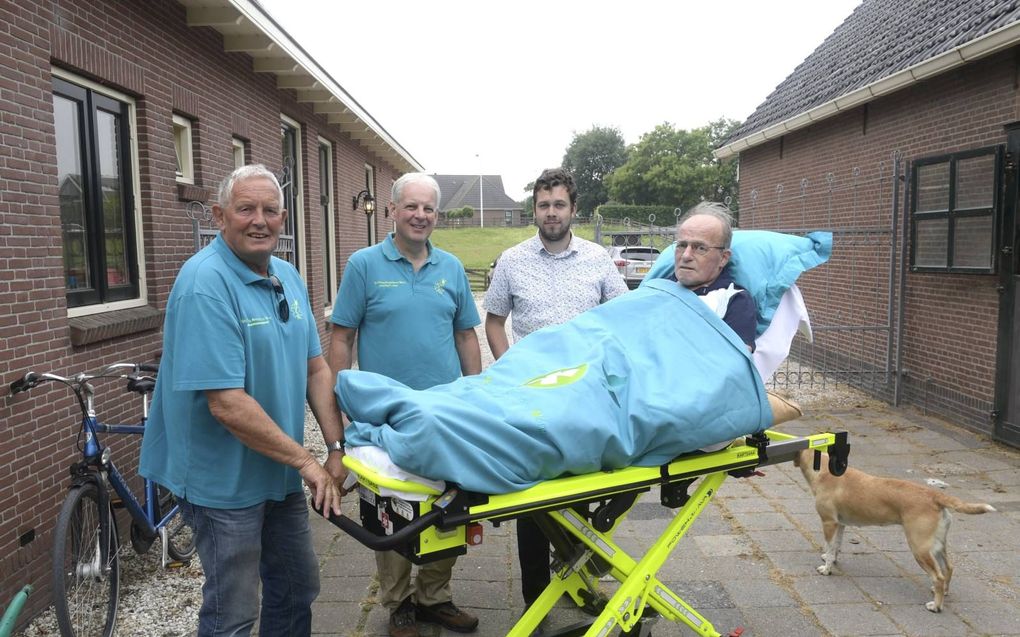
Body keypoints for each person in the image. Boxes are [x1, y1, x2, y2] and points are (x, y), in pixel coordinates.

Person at [140, 164, 346, 637]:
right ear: (219, 215)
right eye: (245, 208)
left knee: (297, 589)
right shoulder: (204, 285)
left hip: (277, 472)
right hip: (222, 485)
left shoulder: (288, 276)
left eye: (270, 210)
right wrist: (309, 464)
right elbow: (227, 403)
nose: (259, 220)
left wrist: (336, 448)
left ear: (283, 217)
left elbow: (316, 368)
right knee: (232, 613)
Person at [329, 172, 482, 637]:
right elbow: (342, 337)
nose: (420, 216)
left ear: (437, 215)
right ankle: (398, 603)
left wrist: (476, 395)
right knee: (390, 507)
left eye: (428, 209)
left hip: (443, 412)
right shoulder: (363, 265)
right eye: (411, 207)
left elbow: (465, 335)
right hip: (384, 417)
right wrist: (343, 399)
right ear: (392, 210)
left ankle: (435, 597)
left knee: (448, 503)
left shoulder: (451, 268)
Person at [482, 167, 627, 611]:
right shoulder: (512, 260)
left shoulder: (598, 259)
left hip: (586, 397)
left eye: (559, 204)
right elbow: (493, 320)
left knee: (581, 493)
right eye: (543, 205)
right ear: (534, 210)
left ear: (573, 209)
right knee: (534, 500)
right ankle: (535, 595)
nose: (551, 213)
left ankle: (579, 581)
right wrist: (510, 371)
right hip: (535, 398)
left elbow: (620, 317)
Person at [669, 201, 757, 351]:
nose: (686, 255)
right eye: (682, 245)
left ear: (723, 258)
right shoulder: (656, 289)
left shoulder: (734, 301)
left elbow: (733, 365)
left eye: (700, 248)